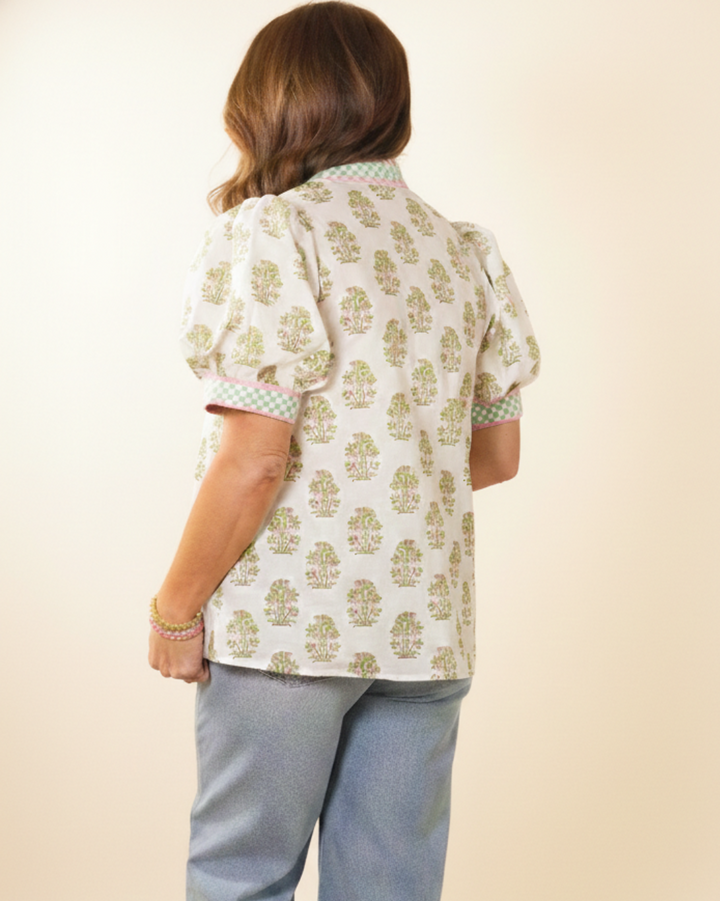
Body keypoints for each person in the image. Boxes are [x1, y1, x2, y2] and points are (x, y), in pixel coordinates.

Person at [148, 2, 540, 899]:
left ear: (269, 105)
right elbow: (494, 456)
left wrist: (176, 609)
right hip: (426, 630)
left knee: (241, 875)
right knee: (392, 887)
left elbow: (255, 459)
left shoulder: (275, 232)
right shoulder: (462, 253)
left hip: (288, 627)